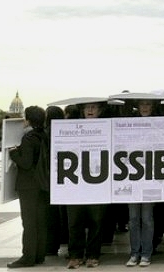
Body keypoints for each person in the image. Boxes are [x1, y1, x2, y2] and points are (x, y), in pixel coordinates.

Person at [66, 99, 110, 269]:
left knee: (96, 221)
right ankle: (75, 255)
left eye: (94, 108)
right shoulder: (71, 129)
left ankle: (93, 254)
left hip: (98, 182)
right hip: (75, 182)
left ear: (100, 111)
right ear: (82, 111)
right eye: (87, 108)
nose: (90, 110)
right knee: (74, 221)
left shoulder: (107, 128)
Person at [7, 106, 50, 268]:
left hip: (28, 185)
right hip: (42, 184)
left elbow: (25, 162)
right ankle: (39, 254)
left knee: (29, 222)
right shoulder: (43, 135)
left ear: (29, 120)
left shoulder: (28, 138)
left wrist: (13, 153)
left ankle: (28, 256)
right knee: (40, 220)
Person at [125, 99, 158, 267]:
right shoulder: (129, 124)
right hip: (132, 177)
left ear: (152, 107)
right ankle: (134, 253)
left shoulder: (159, 125)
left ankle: (146, 254)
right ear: (137, 107)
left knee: (146, 218)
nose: (145, 107)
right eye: (142, 105)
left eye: (148, 105)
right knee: (133, 218)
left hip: (149, 178)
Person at [45, 105, 68, 257]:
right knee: (63, 212)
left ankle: (52, 245)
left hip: (51, 178)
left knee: (52, 214)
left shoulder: (47, 134)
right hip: (64, 176)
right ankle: (63, 237)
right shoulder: (64, 133)